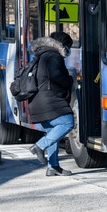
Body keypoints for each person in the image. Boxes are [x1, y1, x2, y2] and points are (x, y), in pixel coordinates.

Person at [27, 31, 75, 176]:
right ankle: (39, 146)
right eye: (68, 46)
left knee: (52, 133)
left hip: (37, 102)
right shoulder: (53, 56)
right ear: (63, 45)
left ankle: (53, 166)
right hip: (49, 101)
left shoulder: (41, 55)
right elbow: (56, 76)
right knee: (67, 122)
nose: (69, 50)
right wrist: (70, 80)